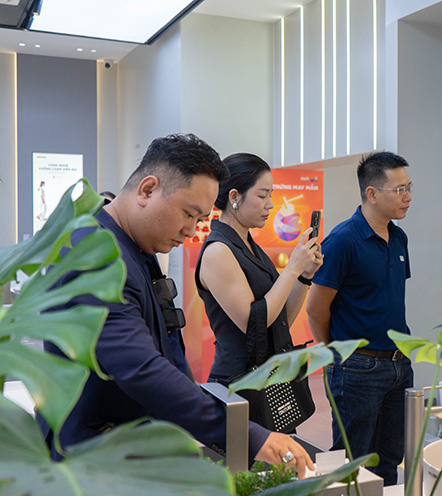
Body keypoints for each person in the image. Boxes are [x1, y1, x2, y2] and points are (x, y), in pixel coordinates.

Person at [35, 134, 313, 476]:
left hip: (130, 448)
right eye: (188, 214)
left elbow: (166, 349)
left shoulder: (137, 248)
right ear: (147, 190)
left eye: (200, 219)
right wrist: (246, 434)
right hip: (92, 460)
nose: (192, 230)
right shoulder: (94, 254)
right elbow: (140, 367)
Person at [306, 151, 413, 485]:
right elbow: (315, 308)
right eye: (400, 190)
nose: (408, 197)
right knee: (352, 463)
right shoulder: (343, 241)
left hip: (398, 365)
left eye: (409, 188)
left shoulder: (399, 237)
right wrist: (337, 352)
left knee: (390, 460)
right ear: (372, 193)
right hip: (357, 368)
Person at [195, 152, 322, 429]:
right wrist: (291, 269)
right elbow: (254, 322)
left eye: (270, 195)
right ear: (234, 197)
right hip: (239, 384)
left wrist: (304, 276)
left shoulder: (250, 246)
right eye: (262, 195)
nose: (271, 204)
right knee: (246, 456)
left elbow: (280, 318)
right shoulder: (218, 251)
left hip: (267, 380)